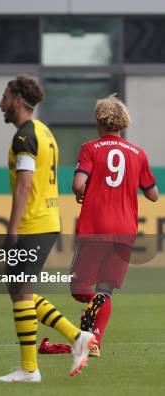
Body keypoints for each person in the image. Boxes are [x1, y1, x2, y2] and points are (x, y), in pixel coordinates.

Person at [0, 76, 95, 382]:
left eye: (5, 97)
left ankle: (29, 368)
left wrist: (12, 230)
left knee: (21, 292)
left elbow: (24, 187)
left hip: (33, 223)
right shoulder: (44, 132)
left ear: (18, 101)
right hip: (47, 220)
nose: (1, 103)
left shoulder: (25, 136)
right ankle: (77, 337)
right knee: (19, 291)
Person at [70, 95, 158, 357]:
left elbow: (78, 184)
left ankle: (90, 325)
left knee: (79, 288)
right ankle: (94, 341)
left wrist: (84, 191)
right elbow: (153, 194)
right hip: (124, 231)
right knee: (105, 289)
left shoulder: (90, 148)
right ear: (123, 122)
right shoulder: (138, 154)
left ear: (99, 120)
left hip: (96, 226)